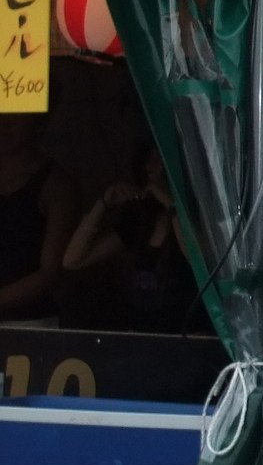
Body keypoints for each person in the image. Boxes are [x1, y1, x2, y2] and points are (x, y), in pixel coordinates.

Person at [61, 142, 199, 332]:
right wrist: (103, 204)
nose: (153, 167)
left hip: (187, 336)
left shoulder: (197, 218)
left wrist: (172, 204)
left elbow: (197, 259)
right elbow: (73, 260)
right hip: (140, 336)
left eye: (160, 159)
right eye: (149, 160)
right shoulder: (140, 221)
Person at [0, 114, 80, 325]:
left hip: (28, 324)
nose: (4, 124)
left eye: (16, 117)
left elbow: (50, 273)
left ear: (38, 122)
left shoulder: (56, 185)